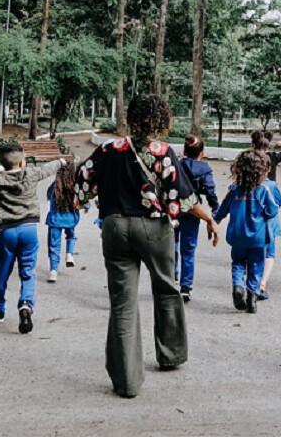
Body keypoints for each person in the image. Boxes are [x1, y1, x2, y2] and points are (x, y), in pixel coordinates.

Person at [76, 94, 220, 399]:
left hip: (114, 227)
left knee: (122, 302)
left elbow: (83, 183)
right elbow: (184, 196)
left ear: (131, 117)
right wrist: (209, 219)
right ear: (161, 119)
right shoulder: (163, 152)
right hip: (154, 227)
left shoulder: (107, 149)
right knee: (166, 288)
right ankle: (170, 355)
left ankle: (126, 382)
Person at [0, 142, 65, 334]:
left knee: (2, 272)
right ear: (22, 161)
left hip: (5, 232)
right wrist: (62, 161)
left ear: (2, 161)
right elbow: (48, 168)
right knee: (28, 271)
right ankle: (26, 305)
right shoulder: (30, 174)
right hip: (29, 229)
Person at [214, 150, 279, 314]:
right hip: (258, 238)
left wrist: (214, 222)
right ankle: (252, 296)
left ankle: (238, 286)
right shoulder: (263, 191)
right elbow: (272, 211)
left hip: (237, 236)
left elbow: (221, 211)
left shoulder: (234, 190)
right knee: (256, 266)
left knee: (238, 263)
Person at [175, 134, 219, 302]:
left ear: (184, 150)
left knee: (172, 243)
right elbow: (210, 190)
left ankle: (172, 277)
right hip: (194, 210)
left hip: (175, 207)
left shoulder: (177, 165)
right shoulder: (204, 168)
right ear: (202, 152)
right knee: (188, 249)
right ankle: (186, 288)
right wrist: (215, 207)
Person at [46, 161, 82, 284]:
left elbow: (47, 194)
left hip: (55, 221)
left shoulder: (55, 188)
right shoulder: (75, 188)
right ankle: (69, 254)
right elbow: (83, 201)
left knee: (54, 245)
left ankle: (53, 271)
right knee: (71, 236)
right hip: (70, 220)